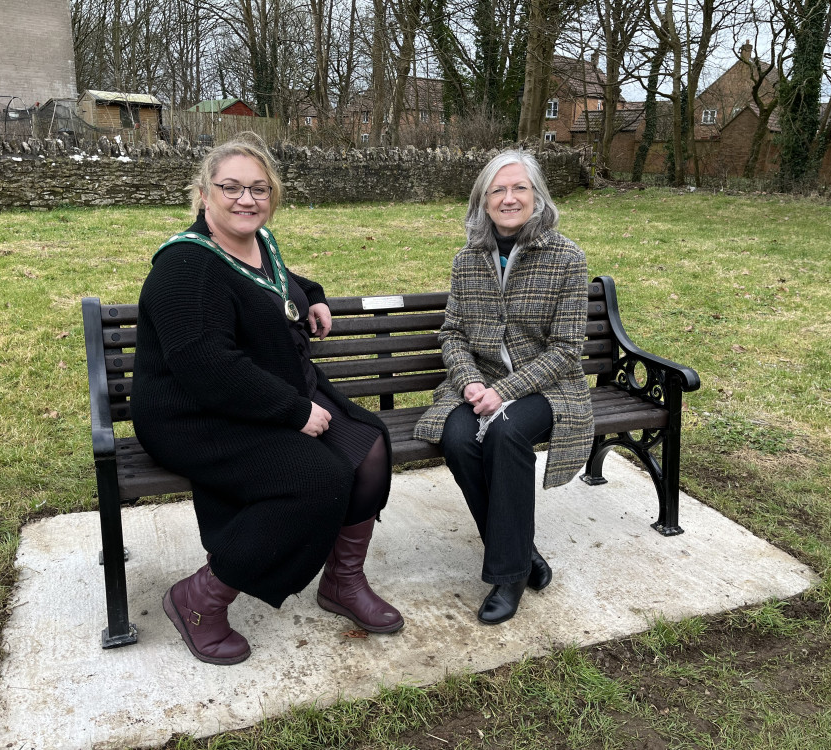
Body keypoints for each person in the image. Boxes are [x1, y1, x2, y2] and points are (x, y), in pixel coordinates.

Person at [131, 135, 403, 666]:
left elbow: (279, 282)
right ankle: (201, 598)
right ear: (204, 194)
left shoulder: (259, 241)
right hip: (195, 414)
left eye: (259, 188)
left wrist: (315, 296)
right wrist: (294, 412)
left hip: (266, 389)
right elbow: (206, 366)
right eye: (230, 187)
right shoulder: (185, 266)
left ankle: (342, 582)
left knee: (369, 448)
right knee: (314, 479)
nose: (246, 199)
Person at [413, 149, 594, 625]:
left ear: (537, 197)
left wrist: (507, 391)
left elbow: (566, 348)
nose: (509, 198)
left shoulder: (566, 258)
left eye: (520, 188)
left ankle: (509, 574)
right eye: (498, 190)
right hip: (477, 384)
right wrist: (472, 381)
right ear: (483, 201)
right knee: (455, 437)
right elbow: (452, 333)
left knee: (504, 432)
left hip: (548, 387)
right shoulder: (468, 258)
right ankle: (523, 551)